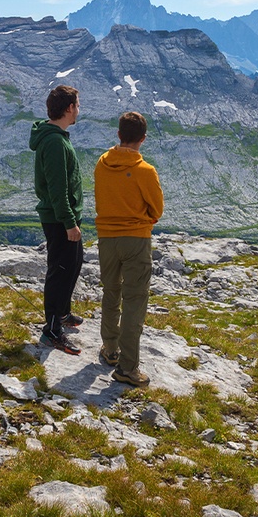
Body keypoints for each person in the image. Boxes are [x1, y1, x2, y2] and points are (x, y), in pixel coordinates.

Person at [94, 110, 164, 388]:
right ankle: (128, 367)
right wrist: (142, 220)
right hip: (135, 239)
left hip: (106, 239)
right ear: (143, 139)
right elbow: (157, 209)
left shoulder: (101, 163)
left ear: (119, 135)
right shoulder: (145, 171)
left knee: (111, 291)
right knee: (135, 299)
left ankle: (110, 349)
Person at [29, 84, 84, 355]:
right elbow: (57, 187)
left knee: (73, 263)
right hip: (59, 217)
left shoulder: (58, 137)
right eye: (77, 105)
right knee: (60, 271)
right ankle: (52, 330)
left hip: (65, 215)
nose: (79, 110)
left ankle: (63, 313)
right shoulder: (52, 141)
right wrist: (69, 222)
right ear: (69, 108)